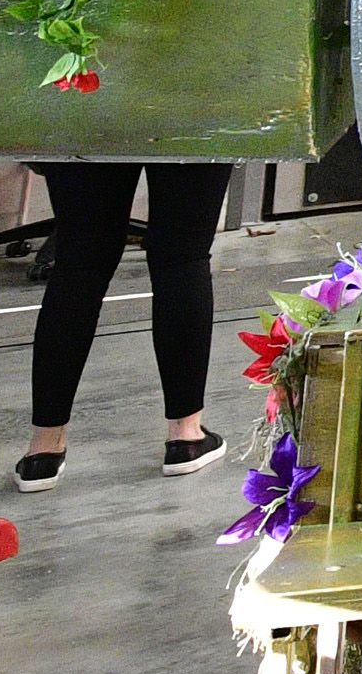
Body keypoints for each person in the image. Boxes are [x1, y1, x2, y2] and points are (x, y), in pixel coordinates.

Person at [19, 161, 230, 486]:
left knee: (79, 263)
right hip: (191, 111)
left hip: (91, 113)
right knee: (182, 257)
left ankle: (43, 451)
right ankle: (186, 437)